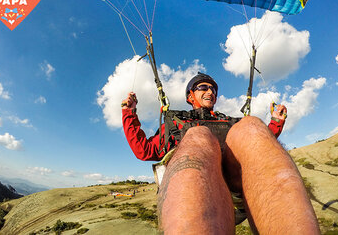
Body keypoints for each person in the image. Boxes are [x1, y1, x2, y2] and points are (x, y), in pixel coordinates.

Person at [122, 73, 320, 234]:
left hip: (238, 187)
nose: (210, 91)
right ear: (190, 96)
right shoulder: (176, 123)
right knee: (199, 135)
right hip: (195, 184)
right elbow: (144, 150)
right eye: (203, 87)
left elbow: (256, 145)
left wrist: (275, 122)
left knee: (251, 124)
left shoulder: (229, 121)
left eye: (213, 89)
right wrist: (129, 114)